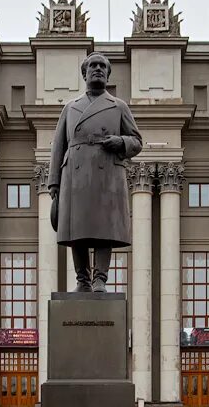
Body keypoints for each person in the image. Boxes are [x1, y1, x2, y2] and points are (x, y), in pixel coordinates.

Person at [47, 52, 143, 292]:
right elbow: (58, 147)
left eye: (102, 66)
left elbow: (137, 141)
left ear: (108, 74)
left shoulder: (118, 106)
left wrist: (121, 142)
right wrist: (54, 186)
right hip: (74, 177)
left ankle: (100, 278)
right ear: (84, 73)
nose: (98, 69)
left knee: (104, 228)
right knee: (76, 230)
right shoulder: (70, 108)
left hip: (106, 174)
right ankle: (82, 280)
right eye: (93, 65)